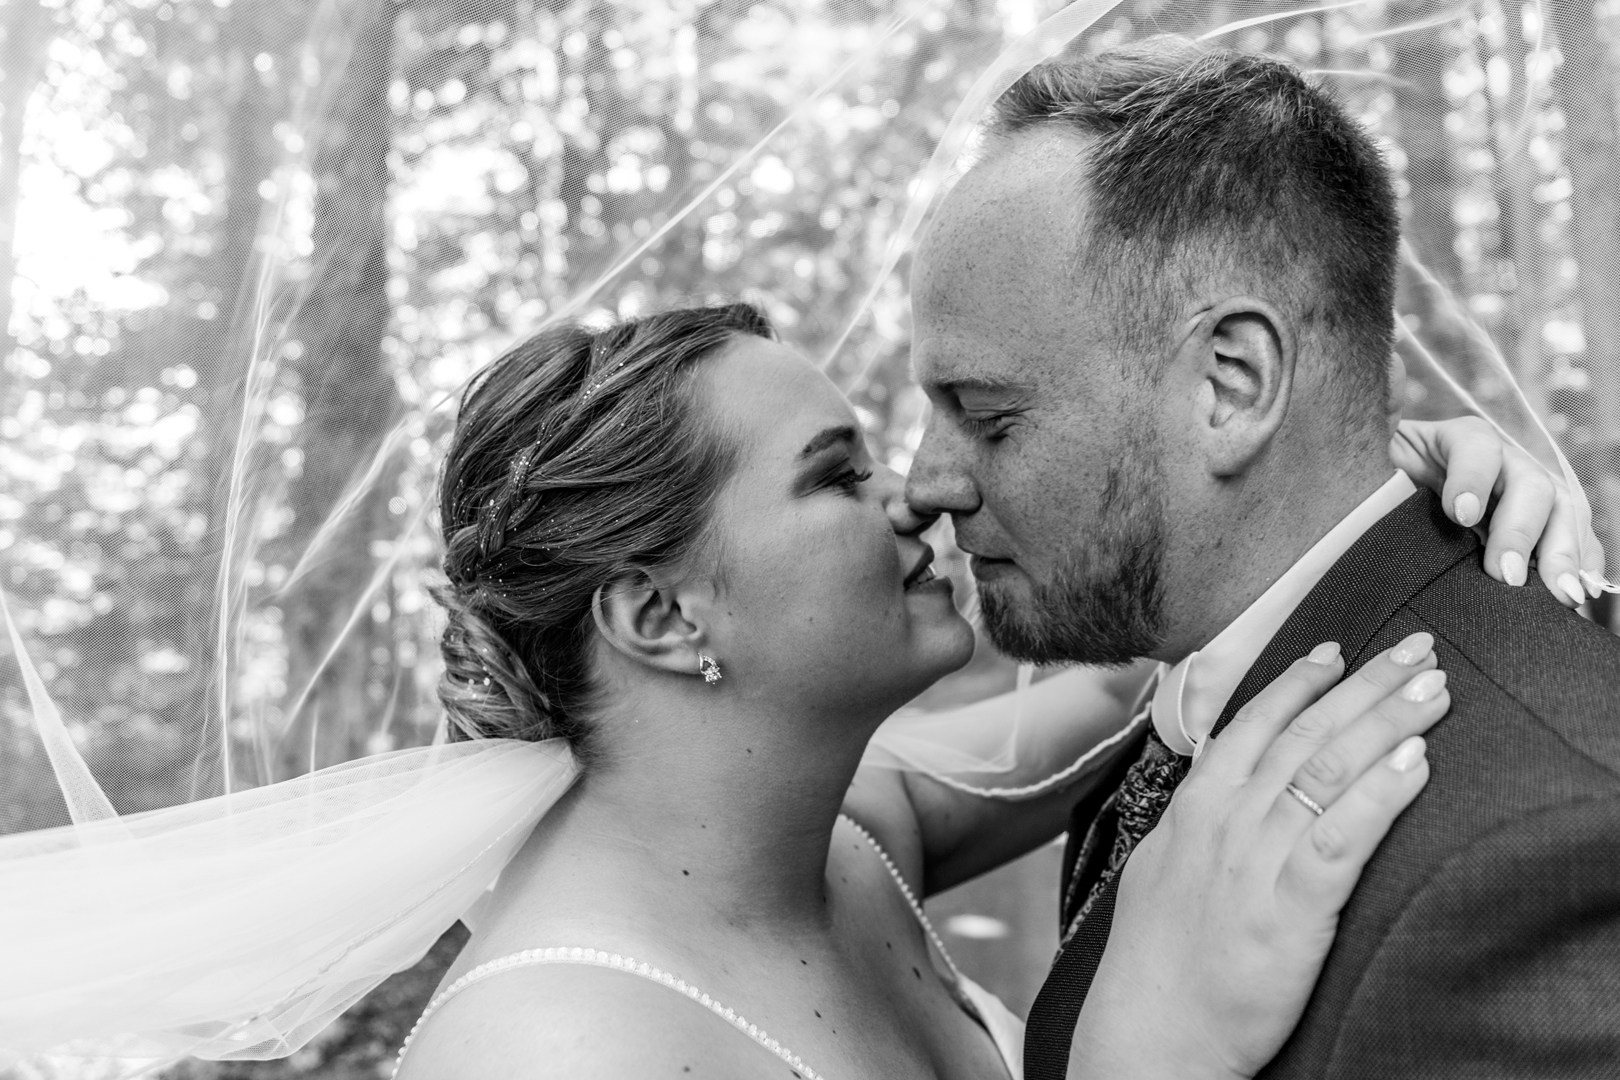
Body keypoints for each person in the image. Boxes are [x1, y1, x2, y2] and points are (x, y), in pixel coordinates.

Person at [389, 302, 1578, 1080]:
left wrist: (1356, 491)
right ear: (660, 617)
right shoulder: (553, 1048)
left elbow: (1149, 684)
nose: (918, 495)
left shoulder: (851, 838)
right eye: (835, 478)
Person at [902, 39, 1620, 1080]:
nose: (926, 482)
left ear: (1232, 384)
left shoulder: (1543, 853)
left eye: (988, 415)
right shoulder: (1216, 666)